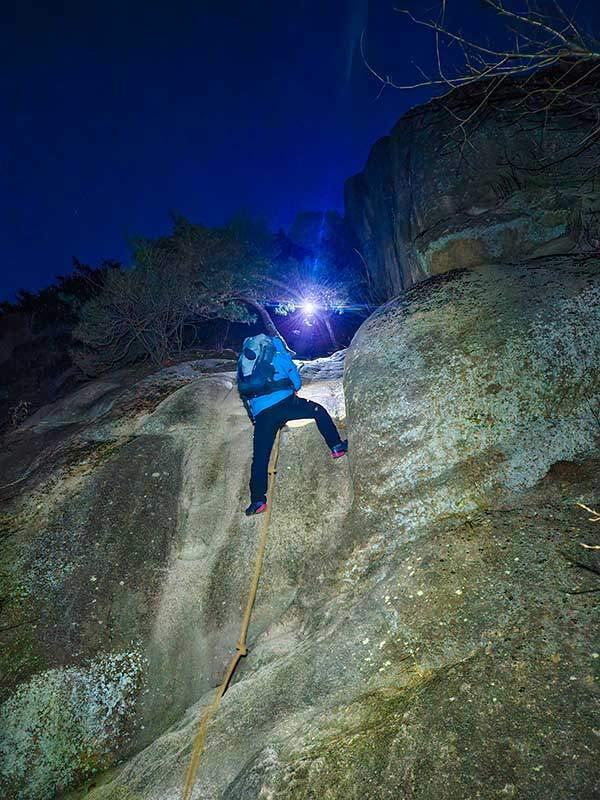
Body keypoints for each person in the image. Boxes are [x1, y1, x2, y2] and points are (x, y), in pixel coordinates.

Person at [238, 334, 348, 516]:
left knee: (260, 457)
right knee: (318, 410)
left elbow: (245, 395)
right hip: (285, 403)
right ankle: (336, 446)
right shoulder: (275, 351)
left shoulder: (246, 362)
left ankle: (257, 500)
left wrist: (256, 418)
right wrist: (291, 387)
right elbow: (295, 379)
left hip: (262, 414)